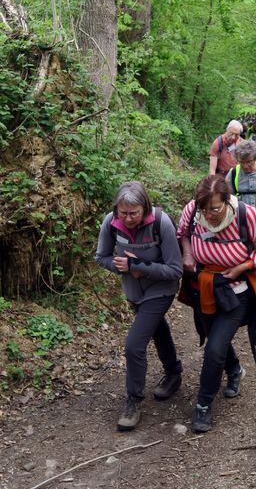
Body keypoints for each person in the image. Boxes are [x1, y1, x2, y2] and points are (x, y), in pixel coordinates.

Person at [177, 175, 256, 433]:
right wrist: (188, 253)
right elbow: (183, 234)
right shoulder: (193, 211)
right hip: (203, 288)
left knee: (214, 349)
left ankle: (203, 405)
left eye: (215, 208)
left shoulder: (246, 216)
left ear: (227, 200)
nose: (209, 214)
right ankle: (234, 370)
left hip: (236, 293)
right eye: (204, 208)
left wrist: (242, 267)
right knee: (212, 336)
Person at [95, 181, 183, 432]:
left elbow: (175, 269)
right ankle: (173, 372)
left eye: (134, 213)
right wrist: (120, 265)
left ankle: (133, 400)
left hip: (161, 289)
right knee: (157, 329)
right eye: (123, 213)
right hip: (133, 291)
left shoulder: (160, 223)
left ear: (145, 207)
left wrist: (138, 266)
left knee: (134, 345)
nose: (128, 218)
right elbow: (101, 257)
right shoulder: (110, 222)